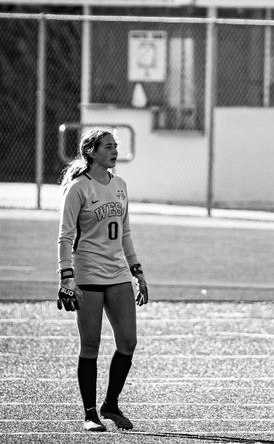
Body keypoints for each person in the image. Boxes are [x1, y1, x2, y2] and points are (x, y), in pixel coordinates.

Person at [57, 128, 148, 432]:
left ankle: (111, 403)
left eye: (115, 146)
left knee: (128, 342)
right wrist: (66, 276)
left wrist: (136, 269)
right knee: (91, 345)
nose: (114, 151)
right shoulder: (78, 188)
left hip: (118, 273)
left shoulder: (120, 185)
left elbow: (125, 233)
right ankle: (90, 414)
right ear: (92, 152)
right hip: (88, 274)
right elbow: (65, 236)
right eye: (108, 147)